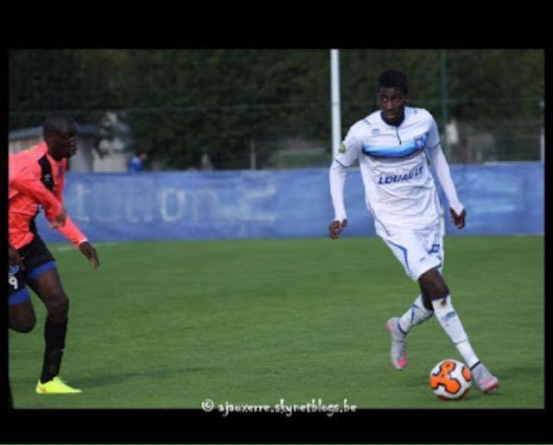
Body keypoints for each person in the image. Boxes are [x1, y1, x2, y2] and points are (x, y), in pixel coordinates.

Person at [328, 70, 499, 394]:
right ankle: (476, 366)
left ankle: (400, 326)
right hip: (394, 223)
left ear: (407, 99)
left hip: (429, 217)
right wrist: (340, 213)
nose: (389, 105)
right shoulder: (362, 132)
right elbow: (338, 167)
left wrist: (454, 201)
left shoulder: (424, 121)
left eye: (396, 98)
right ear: (378, 99)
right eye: (383, 98)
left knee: (433, 297)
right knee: (439, 286)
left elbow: (436, 154)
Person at [8, 111, 100, 395]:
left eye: (76, 136)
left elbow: (53, 210)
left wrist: (80, 240)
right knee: (24, 324)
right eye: (69, 137)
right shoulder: (25, 166)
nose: (74, 142)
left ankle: (48, 381)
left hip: (28, 241)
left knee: (59, 303)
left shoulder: (57, 166)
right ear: (50, 139)